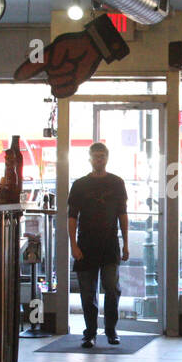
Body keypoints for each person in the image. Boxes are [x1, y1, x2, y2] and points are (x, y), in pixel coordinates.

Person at [68, 142, 129, 348]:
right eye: (95, 156)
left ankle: (111, 330)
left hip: (110, 244)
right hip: (85, 245)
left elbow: (123, 215)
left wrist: (126, 243)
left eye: (102, 156)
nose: (99, 160)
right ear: (89, 159)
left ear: (107, 158)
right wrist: (73, 245)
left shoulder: (117, 183)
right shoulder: (79, 185)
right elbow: (71, 217)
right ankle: (90, 333)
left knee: (111, 288)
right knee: (87, 292)